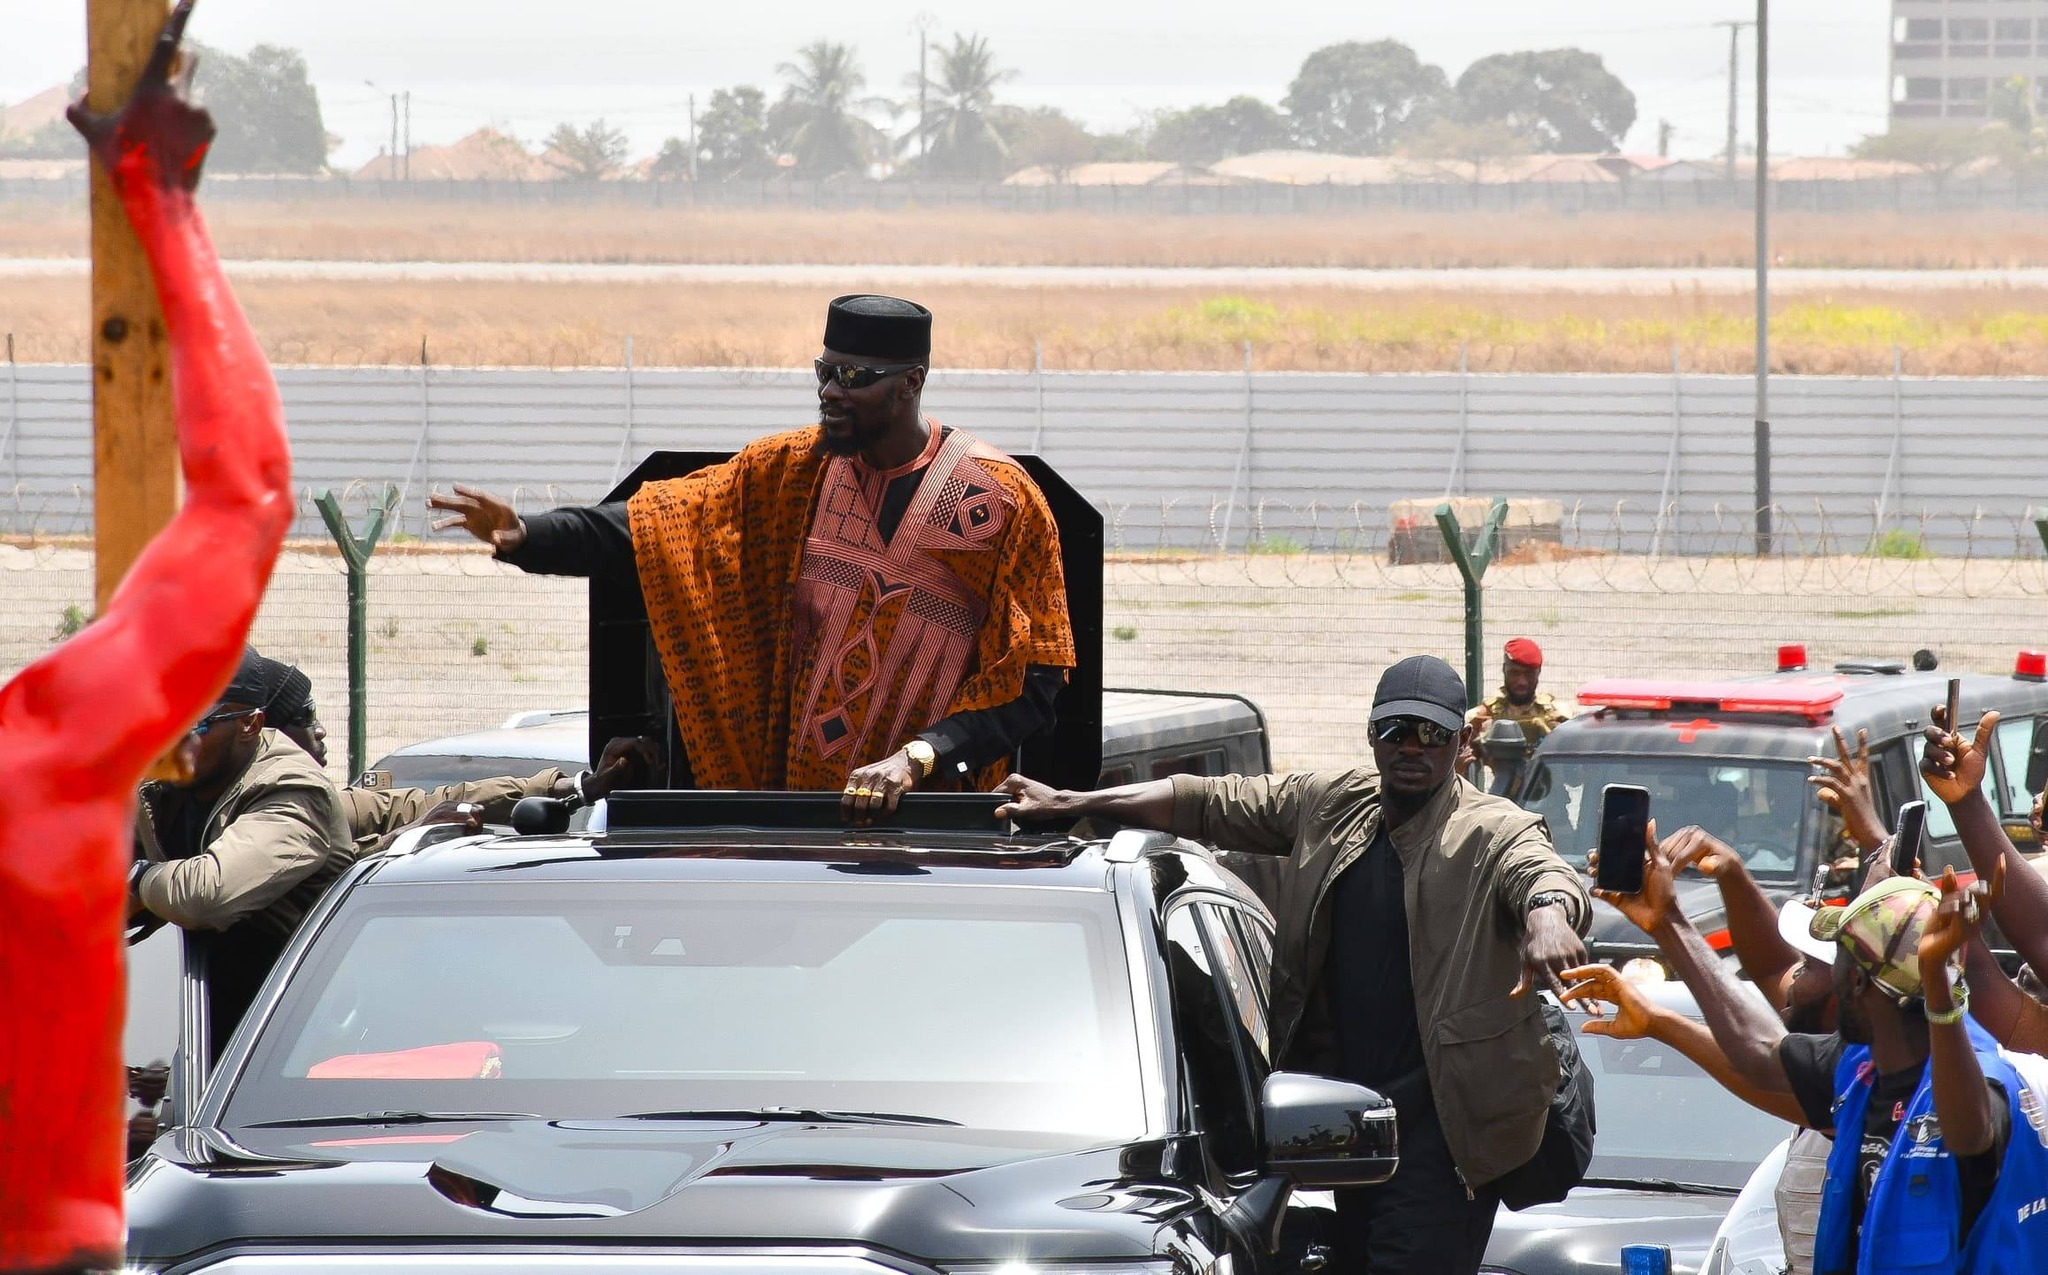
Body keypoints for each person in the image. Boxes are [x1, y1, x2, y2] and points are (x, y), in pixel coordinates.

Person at [995, 654, 1591, 1275]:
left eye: (1433, 734)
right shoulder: (1333, 805)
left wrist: (1547, 917)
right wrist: (1070, 799)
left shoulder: (1490, 829)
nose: (1412, 747)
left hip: (1445, 1140)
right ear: (1370, 734)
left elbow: (1541, 872)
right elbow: (1205, 802)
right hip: (1348, 1133)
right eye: (1396, 731)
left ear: (1463, 742)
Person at [428, 295, 1075, 817]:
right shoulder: (793, 473)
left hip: (935, 829)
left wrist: (918, 759)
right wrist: (531, 535)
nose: (831, 391)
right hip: (792, 818)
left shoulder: (1001, 501)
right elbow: (661, 527)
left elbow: (1032, 684)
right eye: (824, 372)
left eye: (854, 377)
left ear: (911, 382)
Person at [1617, 822, 2048, 1273]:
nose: (1812, 969)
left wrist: (1938, 985)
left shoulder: (1984, 1081)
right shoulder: (1862, 1069)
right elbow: (1759, 1054)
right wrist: (1668, 923)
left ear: (1857, 979)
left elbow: (1969, 1132)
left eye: (1835, 952)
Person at [131, 651, 355, 1058]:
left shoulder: (291, 789)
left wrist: (137, 879)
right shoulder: (163, 782)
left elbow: (206, 896)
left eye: (194, 724)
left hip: (300, 1039)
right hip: (196, 1023)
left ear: (250, 724)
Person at [342, 734, 661, 856]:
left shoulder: (326, 804)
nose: (319, 731)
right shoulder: (299, 816)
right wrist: (402, 837)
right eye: (304, 715)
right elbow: (330, 873)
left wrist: (579, 788)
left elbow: (441, 801)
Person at [1463, 637, 1567, 783]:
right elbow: (1459, 764)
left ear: (1538, 672)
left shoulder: (1556, 716)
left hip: (1549, 798)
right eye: (1515, 673)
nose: (1521, 682)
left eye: (1529, 674)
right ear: (1504, 669)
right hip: (1503, 797)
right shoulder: (1484, 717)